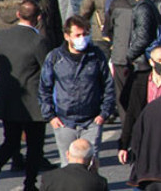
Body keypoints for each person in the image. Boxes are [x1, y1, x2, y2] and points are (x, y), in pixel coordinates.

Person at [0, 0, 49, 191]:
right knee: (35, 145)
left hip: (8, 98)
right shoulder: (38, 41)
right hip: (32, 101)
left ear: (18, 15)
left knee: (10, 141)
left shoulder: (3, 37)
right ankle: (30, 184)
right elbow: (47, 69)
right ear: (38, 18)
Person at [39, 15, 115, 168]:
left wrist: (103, 114)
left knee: (91, 165)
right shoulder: (55, 57)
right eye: (78, 35)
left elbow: (108, 86)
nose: (83, 38)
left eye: (85, 34)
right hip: (64, 122)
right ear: (67, 36)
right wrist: (51, 116)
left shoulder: (96, 56)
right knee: (68, 166)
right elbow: (44, 88)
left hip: (91, 121)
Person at [40, 138, 108, 190]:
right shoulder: (99, 182)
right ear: (92, 159)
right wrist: (95, 174)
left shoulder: (48, 177)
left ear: (67, 154)